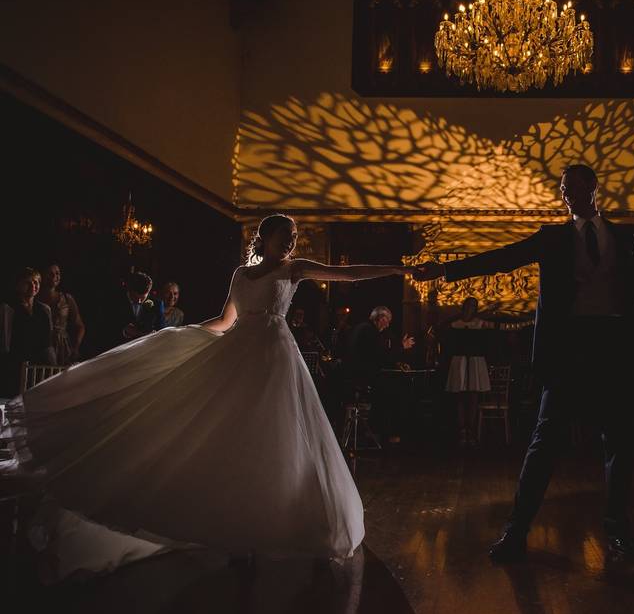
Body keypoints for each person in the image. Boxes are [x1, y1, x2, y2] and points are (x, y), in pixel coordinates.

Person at [9, 214, 415, 580]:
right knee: (234, 440)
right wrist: (181, 336)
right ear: (266, 236)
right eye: (284, 235)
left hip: (277, 360)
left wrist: (397, 268)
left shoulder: (296, 270)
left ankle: (309, 528)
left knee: (285, 440)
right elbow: (225, 320)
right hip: (240, 357)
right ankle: (239, 535)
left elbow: (348, 273)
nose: (291, 242)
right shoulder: (241, 274)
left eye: (294, 237)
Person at [414, 163, 634, 563]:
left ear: (594, 187)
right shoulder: (552, 238)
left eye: (573, 187)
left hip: (613, 350)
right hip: (568, 351)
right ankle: (516, 533)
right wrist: (446, 270)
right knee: (544, 443)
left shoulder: (623, 237)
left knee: (619, 444)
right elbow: (504, 258)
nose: (566, 195)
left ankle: (618, 532)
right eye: (563, 189)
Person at [344, 306, 415, 443]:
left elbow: (374, 355)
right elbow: (380, 356)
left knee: (391, 385)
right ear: (381, 318)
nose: (388, 325)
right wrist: (402, 347)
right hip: (362, 377)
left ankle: (377, 429)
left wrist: (396, 362)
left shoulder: (362, 327)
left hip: (354, 373)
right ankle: (385, 432)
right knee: (397, 389)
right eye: (387, 321)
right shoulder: (370, 331)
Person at [445, 297, 493, 447]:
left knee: (473, 396)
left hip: (475, 360)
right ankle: (461, 431)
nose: (470, 309)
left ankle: (471, 431)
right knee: (459, 396)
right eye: (468, 305)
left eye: (473, 306)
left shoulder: (479, 323)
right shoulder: (454, 324)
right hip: (459, 360)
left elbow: (487, 341)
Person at [0, 268, 56, 397]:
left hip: (39, 365)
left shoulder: (44, 310)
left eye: (36, 282)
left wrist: (53, 365)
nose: (33, 286)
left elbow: (48, 341)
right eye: (28, 282)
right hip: (14, 364)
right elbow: (4, 341)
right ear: (18, 285)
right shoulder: (7, 308)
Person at [100, 271, 165, 352]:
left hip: (145, 352)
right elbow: (103, 328)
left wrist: (154, 335)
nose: (139, 301)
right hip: (117, 351)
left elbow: (162, 330)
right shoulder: (113, 301)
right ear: (129, 289)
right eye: (135, 297)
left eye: (143, 298)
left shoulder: (157, 304)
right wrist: (124, 331)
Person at [36, 263, 86, 365]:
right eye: (50, 273)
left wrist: (75, 348)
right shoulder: (35, 298)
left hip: (62, 349)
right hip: (40, 345)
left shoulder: (66, 298)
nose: (54, 276)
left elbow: (80, 326)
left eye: (57, 273)